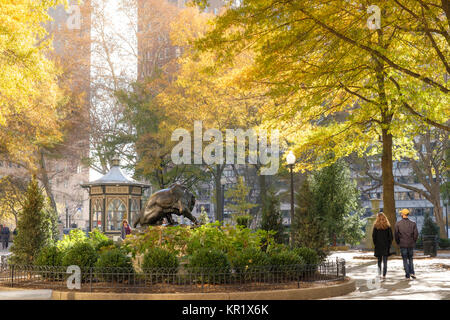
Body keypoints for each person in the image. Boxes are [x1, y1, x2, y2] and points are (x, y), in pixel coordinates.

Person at [395, 208, 419, 280]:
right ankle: (412, 272)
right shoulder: (413, 223)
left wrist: (398, 242)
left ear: (402, 214)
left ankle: (407, 275)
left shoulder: (398, 224)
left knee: (405, 259)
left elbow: (396, 235)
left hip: (402, 244)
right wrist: (413, 241)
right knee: (411, 259)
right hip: (410, 244)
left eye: (401, 213)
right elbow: (416, 234)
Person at [372, 212, 393, 279]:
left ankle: (379, 274)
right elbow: (391, 237)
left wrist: (375, 243)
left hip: (378, 245)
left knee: (379, 261)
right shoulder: (387, 226)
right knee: (385, 261)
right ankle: (384, 275)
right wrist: (389, 244)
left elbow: (373, 236)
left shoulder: (376, 226)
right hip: (386, 246)